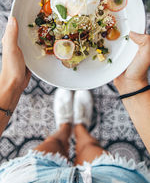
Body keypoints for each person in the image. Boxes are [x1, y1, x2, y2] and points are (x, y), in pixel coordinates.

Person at [0, 16, 150, 183]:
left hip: (30, 178)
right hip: (112, 179)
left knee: (54, 142)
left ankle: (66, 126)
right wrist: (134, 85)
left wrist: (11, 84)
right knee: (89, 147)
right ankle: (80, 127)